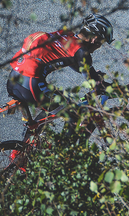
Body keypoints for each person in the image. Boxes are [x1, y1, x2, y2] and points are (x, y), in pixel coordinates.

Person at [6, 14, 114, 162]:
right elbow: (92, 80)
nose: (99, 46)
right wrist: (112, 88)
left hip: (14, 78)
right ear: (95, 38)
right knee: (75, 116)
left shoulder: (66, 37)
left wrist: (93, 75)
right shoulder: (82, 52)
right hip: (31, 85)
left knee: (57, 102)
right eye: (101, 42)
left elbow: (75, 64)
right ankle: (60, 160)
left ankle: (23, 152)